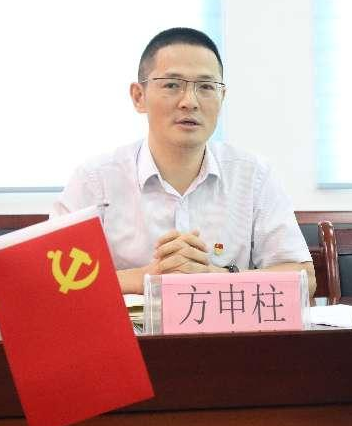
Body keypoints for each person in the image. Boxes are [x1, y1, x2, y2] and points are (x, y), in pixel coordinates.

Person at [54, 27, 315, 296]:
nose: (190, 102)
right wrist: (149, 278)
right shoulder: (95, 181)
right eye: (172, 85)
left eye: (206, 87)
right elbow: (51, 282)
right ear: (139, 96)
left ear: (222, 97)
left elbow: (304, 278)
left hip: (222, 325)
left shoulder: (253, 175)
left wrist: (214, 277)